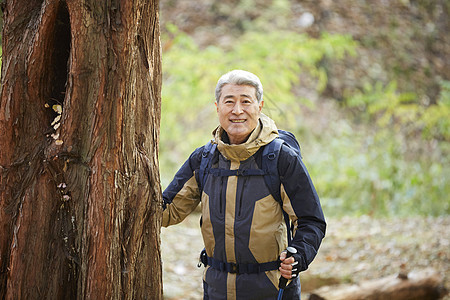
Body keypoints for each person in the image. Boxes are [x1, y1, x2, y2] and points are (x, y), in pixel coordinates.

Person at [162, 70, 326, 299]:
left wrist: (298, 257)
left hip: (271, 289)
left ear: (259, 107)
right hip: (217, 289)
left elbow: (311, 221)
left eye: (246, 101)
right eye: (229, 101)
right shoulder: (204, 159)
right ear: (217, 107)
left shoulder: (281, 159)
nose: (237, 110)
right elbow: (168, 210)